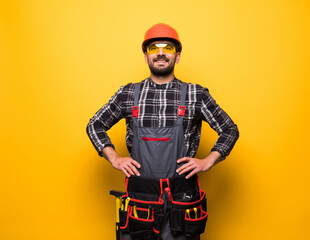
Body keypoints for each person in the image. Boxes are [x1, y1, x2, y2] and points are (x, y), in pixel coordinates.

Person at [86, 23, 239, 240]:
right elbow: (95, 125)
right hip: (140, 202)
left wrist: (208, 161)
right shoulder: (128, 93)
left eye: (167, 48)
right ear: (146, 56)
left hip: (181, 200)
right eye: (153, 48)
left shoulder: (196, 94)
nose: (160, 53)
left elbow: (229, 130)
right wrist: (114, 158)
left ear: (177, 56)